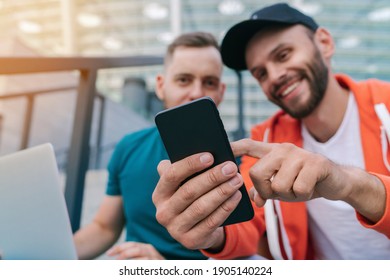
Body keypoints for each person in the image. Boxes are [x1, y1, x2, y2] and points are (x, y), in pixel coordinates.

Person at [152, 3, 390, 260]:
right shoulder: (265, 138)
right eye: (260, 73)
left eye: (284, 55)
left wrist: (348, 184)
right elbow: (247, 223)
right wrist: (211, 233)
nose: (275, 76)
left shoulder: (385, 103)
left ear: (324, 42)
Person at [74, 31, 226, 260]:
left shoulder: (238, 162)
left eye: (209, 82)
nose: (196, 93)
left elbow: (240, 258)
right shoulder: (128, 147)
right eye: (184, 80)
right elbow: (104, 228)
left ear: (221, 92)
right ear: (161, 85)